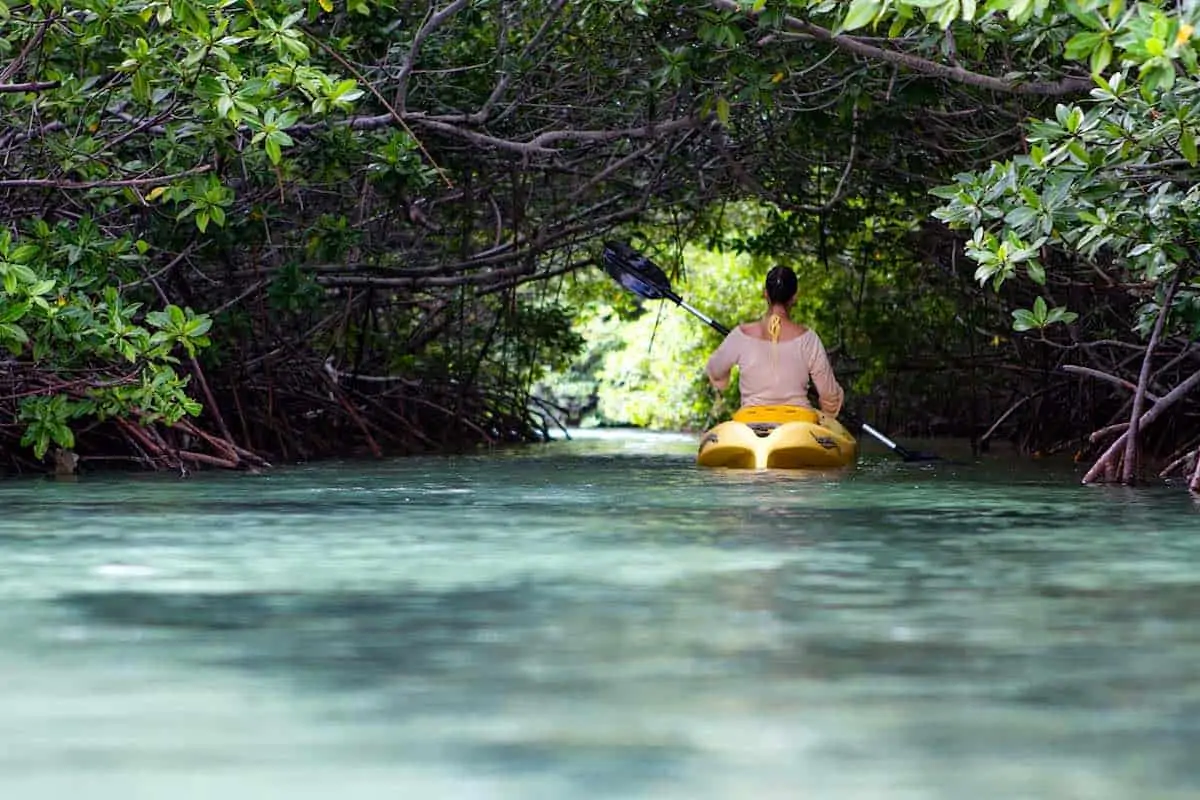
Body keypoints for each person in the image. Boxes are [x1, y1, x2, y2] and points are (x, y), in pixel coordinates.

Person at [705, 265, 844, 417]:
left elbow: (715, 370)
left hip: (751, 421)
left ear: (765, 294)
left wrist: (723, 379)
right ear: (794, 296)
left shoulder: (741, 334)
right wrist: (829, 413)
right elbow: (830, 396)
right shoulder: (809, 339)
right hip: (798, 422)